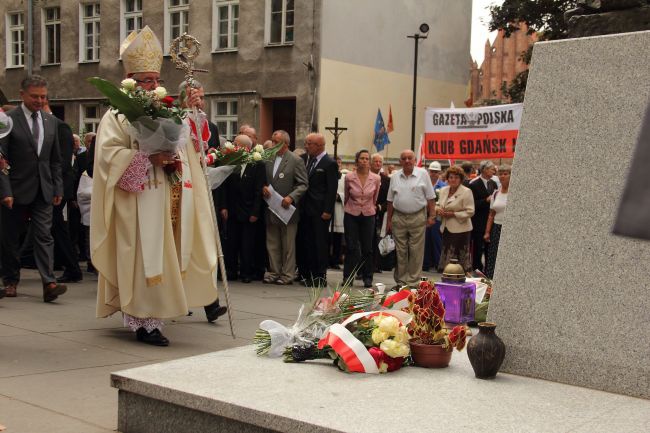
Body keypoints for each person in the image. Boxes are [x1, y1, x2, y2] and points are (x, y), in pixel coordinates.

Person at [92, 26, 219, 346]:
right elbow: (109, 156)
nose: (153, 86)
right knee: (139, 257)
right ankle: (143, 321)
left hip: (165, 198)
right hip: (133, 201)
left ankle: (154, 316)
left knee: (163, 257)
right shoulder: (117, 116)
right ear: (131, 80)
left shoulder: (165, 112)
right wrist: (146, 159)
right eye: (147, 80)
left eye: (156, 80)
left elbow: (187, 149)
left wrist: (191, 117)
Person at [0, 75, 67, 302]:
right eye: (35, 96)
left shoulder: (51, 122)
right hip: (15, 190)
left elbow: (55, 159)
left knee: (43, 236)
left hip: (44, 189)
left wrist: (58, 187)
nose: (40, 100)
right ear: (22, 95)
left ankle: (49, 283)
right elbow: (2, 159)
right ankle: (10, 280)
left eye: (43, 97)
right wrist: (5, 191)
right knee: (10, 237)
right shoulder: (8, 120)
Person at [178, 79, 227, 322]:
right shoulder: (174, 118)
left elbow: (205, 150)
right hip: (180, 187)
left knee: (206, 244)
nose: (199, 101)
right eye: (194, 96)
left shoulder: (208, 123)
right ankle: (181, 299)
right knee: (185, 243)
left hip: (199, 187)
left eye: (202, 96)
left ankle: (211, 302)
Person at [43, 97, 83, 283]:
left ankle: (72, 267)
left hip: (57, 187)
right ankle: (68, 265)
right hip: (46, 186)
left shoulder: (60, 127)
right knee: (54, 227)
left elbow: (62, 162)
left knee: (57, 227)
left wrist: (55, 188)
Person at [218, 134, 266, 283]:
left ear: (245, 148)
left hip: (249, 209)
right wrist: (224, 206)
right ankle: (231, 270)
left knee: (247, 244)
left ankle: (246, 272)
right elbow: (224, 185)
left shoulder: (257, 164)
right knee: (232, 242)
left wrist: (255, 212)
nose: (233, 146)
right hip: (232, 209)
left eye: (236, 144)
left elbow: (259, 190)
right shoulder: (231, 161)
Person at [262, 130, 308, 285]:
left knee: (288, 244)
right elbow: (262, 178)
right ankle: (274, 272)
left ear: (286, 144)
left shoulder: (295, 160)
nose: (273, 144)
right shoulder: (267, 157)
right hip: (271, 206)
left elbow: (303, 184)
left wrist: (291, 197)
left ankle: (287, 274)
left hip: (287, 209)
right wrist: (263, 188)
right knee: (272, 242)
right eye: (272, 141)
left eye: (277, 142)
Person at [386, 150, 435, 286]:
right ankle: (401, 281)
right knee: (400, 251)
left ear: (414, 160)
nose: (407, 160)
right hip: (398, 217)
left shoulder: (423, 174)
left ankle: (413, 282)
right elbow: (390, 200)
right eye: (404, 158)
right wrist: (389, 221)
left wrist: (432, 215)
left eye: (409, 158)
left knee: (416, 250)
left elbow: (431, 197)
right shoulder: (395, 176)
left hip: (418, 216)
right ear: (400, 161)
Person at [296, 133, 338, 287]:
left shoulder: (329, 163)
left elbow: (331, 189)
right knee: (308, 243)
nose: (306, 146)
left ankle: (320, 277)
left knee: (319, 244)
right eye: (306, 143)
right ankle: (308, 274)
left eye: (310, 143)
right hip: (306, 209)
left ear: (320, 145)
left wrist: (328, 210)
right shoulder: (306, 161)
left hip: (320, 211)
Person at [343, 149, 381, 287]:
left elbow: (375, 197)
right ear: (357, 160)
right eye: (361, 158)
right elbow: (346, 195)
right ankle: (348, 276)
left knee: (368, 248)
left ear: (369, 161)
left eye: (366, 158)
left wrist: (369, 207)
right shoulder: (349, 177)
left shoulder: (376, 178)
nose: (364, 161)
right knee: (351, 247)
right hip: (351, 213)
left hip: (368, 214)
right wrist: (350, 207)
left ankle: (367, 277)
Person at [436, 166, 475, 273]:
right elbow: (438, 204)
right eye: (451, 177)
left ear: (461, 179)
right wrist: (438, 210)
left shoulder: (466, 192)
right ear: (447, 179)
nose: (453, 180)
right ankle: (448, 275)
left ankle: (460, 276)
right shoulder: (443, 190)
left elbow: (470, 211)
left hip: (461, 229)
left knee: (459, 258)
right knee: (447, 255)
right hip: (446, 229)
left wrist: (453, 214)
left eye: (456, 177)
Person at [469, 160, 498, 272]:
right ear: (485, 170)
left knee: (489, 248)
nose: (494, 171)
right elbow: (471, 204)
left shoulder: (493, 183)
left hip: (490, 221)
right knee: (477, 248)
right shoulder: (474, 184)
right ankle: (476, 269)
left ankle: (488, 270)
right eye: (491, 169)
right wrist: (485, 200)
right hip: (478, 222)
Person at [484, 164, 511, 279]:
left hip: (509, 229)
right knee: (493, 257)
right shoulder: (495, 193)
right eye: (500, 174)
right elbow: (491, 214)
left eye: (506, 174)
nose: (502, 176)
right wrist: (487, 232)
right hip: (496, 228)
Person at [423, 161, 447, 272]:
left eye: (436, 172)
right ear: (429, 172)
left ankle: (438, 263)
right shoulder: (424, 184)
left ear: (439, 173)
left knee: (436, 239)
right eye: (432, 171)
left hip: (437, 216)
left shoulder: (443, 186)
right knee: (425, 239)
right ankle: (425, 263)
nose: (433, 174)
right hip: (424, 214)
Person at [370, 153, 391, 272]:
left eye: (380, 162)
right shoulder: (366, 176)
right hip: (366, 211)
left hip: (380, 212)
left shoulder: (386, 179)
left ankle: (376, 264)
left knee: (377, 238)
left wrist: (380, 207)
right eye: (375, 161)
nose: (378, 164)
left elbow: (389, 198)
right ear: (371, 163)